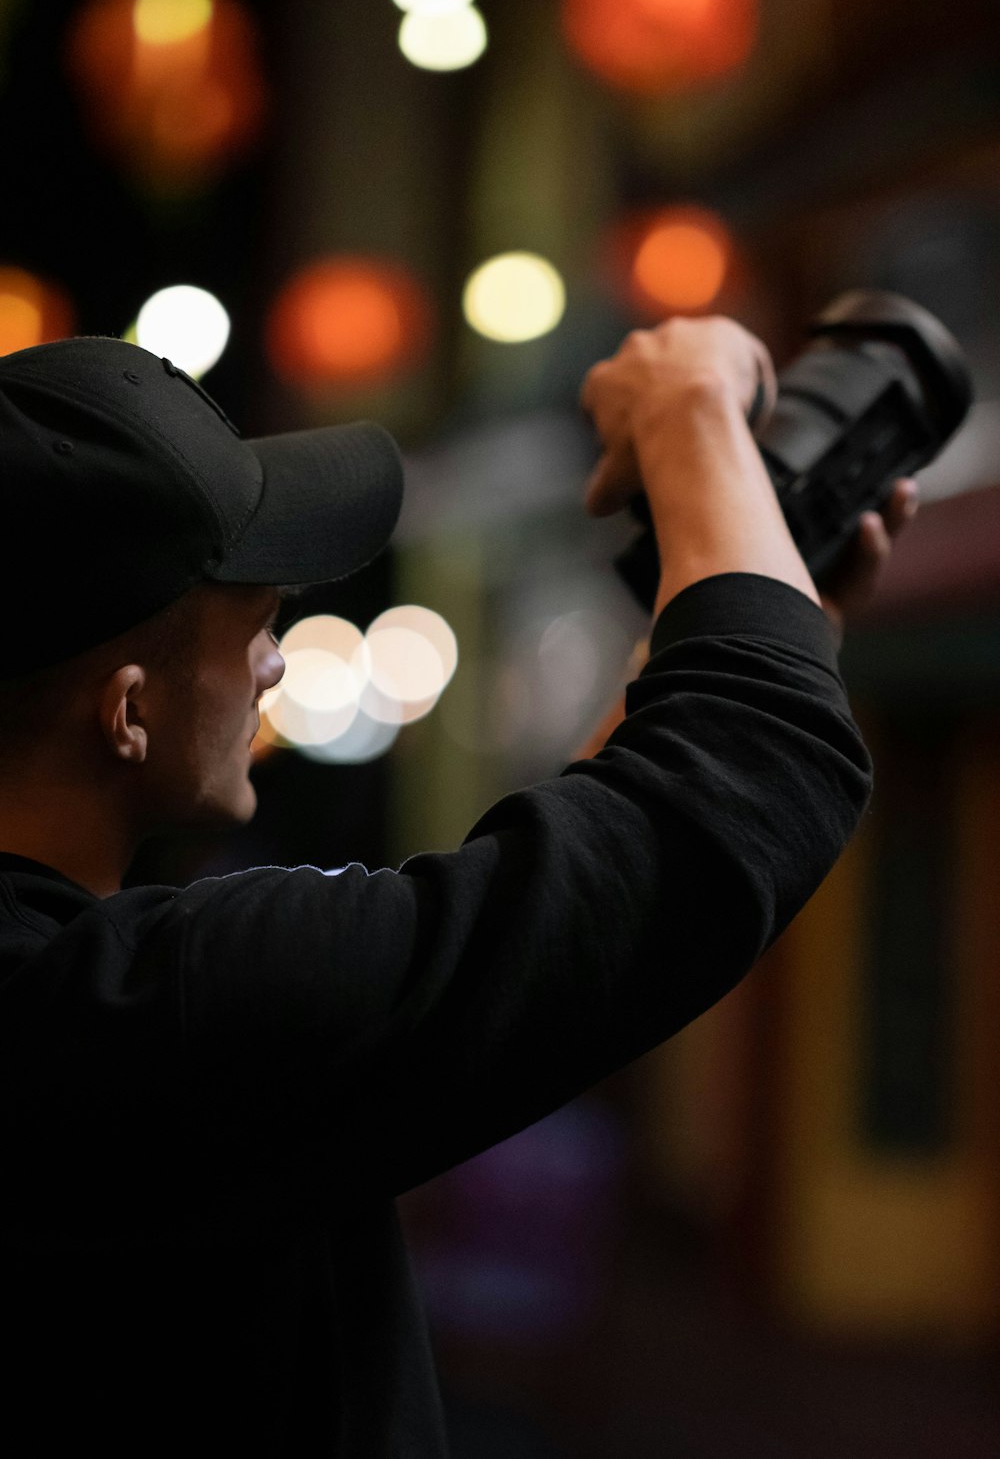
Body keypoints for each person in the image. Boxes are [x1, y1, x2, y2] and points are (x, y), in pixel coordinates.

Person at [0, 320, 913, 1455]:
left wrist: (774, 609)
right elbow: (746, 781)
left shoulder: (92, 1007)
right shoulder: (137, 1019)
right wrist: (690, 418)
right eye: (257, 623)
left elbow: (578, 871)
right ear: (129, 709)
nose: (277, 661)